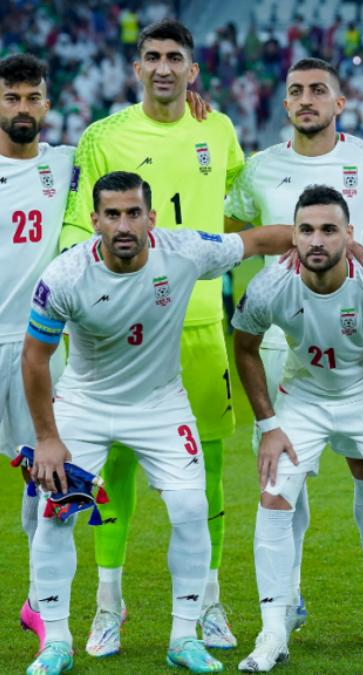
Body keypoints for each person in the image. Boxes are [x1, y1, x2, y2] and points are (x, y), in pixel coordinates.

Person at [22, 171, 293, 675]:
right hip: (85, 403)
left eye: (133, 213)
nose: (124, 225)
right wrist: (47, 438)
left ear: (152, 217)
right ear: (95, 220)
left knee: (191, 507)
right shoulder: (66, 275)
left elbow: (255, 240)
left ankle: (183, 636)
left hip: (161, 403)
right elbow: (35, 358)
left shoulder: (184, 251)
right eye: (112, 214)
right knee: (55, 513)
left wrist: (325, 240)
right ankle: (55, 642)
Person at [58, 19, 246, 654]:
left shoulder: (218, 129)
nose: (164, 67)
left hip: (200, 325)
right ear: (136, 68)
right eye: (153, 57)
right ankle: (107, 606)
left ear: (194, 70)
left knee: (208, 472)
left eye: (175, 58)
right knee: (112, 468)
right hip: (119, 331)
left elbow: (236, 198)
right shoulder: (103, 135)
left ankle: (209, 603)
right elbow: (75, 225)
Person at [224, 56, 363, 648]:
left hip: (358, 337)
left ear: (340, 102)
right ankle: (288, 601)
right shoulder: (259, 168)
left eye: (318, 90)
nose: (307, 99)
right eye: (296, 91)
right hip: (280, 335)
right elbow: (231, 231)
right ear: (285, 103)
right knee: (285, 475)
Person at [232, 186, 363, 672]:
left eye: (328, 229)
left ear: (350, 234)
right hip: (305, 396)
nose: (316, 240)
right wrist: (269, 425)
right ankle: (273, 632)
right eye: (306, 230)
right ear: (293, 236)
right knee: (274, 495)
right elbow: (245, 347)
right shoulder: (269, 286)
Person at [0, 54, 74, 655]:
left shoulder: (66, 162)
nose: (22, 108)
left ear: (47, 105)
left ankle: (40, 602)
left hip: (37, 347)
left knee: (47, 477)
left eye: (32, 97)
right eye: (11, 97)